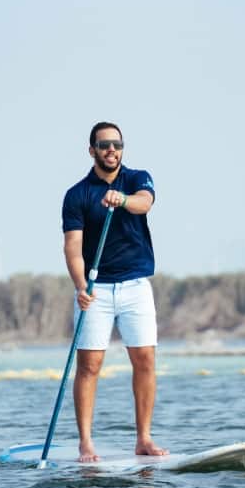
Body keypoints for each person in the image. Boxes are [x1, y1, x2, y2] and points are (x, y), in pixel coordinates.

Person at [61, 121, 168, 462]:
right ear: (91, 150)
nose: (112, 150)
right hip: (96, 290)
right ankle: (86, 444)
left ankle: (144, 439)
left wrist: (122, 199)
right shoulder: (77, 195)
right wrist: (80, 286)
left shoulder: (137, 179)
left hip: (136, 285)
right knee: (89, 366)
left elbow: (144, 203)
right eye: (104, 144)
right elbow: (73, 248)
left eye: (117, 144)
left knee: (145, 360)